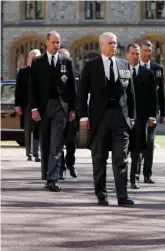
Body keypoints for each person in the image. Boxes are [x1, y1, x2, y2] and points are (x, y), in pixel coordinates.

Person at [78, 32, 135, 206]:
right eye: (110, 43)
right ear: (101, 45)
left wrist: (131, 116)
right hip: (99, 118)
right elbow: (82, 93)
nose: (113, 46)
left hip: (120, 117)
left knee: (121, 158)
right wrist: (83, 117)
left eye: (115, 43)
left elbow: (130, 93)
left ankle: (122, 196)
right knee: (99, 158)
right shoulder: (91, 66)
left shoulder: (124, 65)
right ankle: (101, 195)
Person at [29, 31, 77, 191]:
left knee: (57, 143)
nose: (57, 45)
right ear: (47, 42)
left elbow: (72, 88)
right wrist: (34, 108)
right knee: (45, 142)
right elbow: (32, 88)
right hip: (43, 108)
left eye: (58, 42)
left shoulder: (66, 61)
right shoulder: (38, 62)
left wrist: (72, 109)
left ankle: (53, 178)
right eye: (54, 42)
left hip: (60, 107)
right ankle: (46, 175)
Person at [125, 43, 158, 189]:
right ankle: (123, 177)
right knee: (124, 149)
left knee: (137, 149)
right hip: (124, 117)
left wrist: (152, 116)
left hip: (141, 117)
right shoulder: (122, 71)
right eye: (132, 53)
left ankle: (134, 178)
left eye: (137, 53)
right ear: (127, 54)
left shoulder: (148, 74)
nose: (135, 56)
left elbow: (153, 97)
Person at [138, 40, 165, 184]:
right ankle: (135, 174)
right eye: (145, 50)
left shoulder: (157, 69)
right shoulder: (132, 67)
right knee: (138, 144)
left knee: (150, 143)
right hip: (137, 112)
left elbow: (161, 92)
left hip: (152, 112)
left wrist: (163, 113)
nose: (147, 53)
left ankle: (147, 174)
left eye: (149, 51)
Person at [15, 49, 41, 162]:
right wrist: (18, 105)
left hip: (40, 104)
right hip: (27, 104)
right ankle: (29, 153)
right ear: (28, 59)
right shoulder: (23, 72)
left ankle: (37, 153)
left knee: (39, 129)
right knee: (28, 129)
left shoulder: (43, 71)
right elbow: (18, 90)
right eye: (32, 57)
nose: (34, 59)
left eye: (37, 57)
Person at [57, 48, 78, 180]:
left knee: (71, 141)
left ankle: (71, 164)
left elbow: (79, 94)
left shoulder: (77, 75)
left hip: (72, 113)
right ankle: (61, 167)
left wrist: (75, 110)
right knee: (58, 141)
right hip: (59, 111)